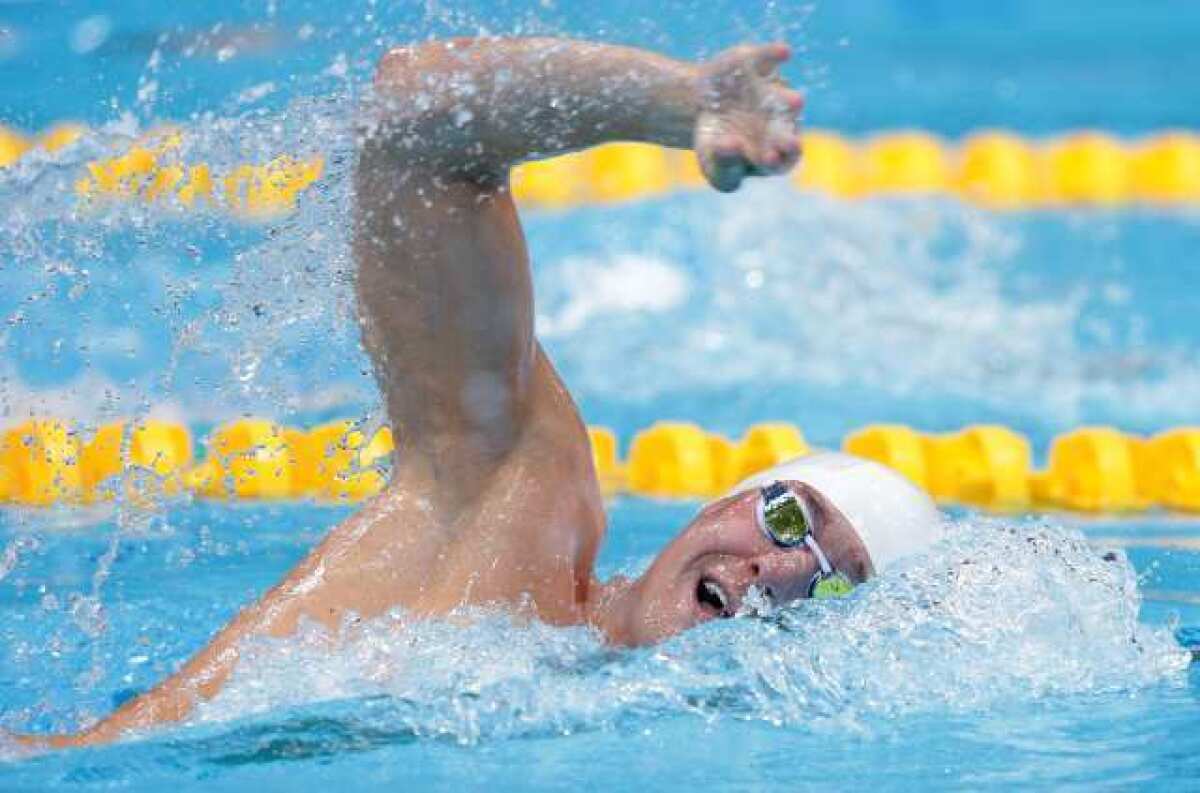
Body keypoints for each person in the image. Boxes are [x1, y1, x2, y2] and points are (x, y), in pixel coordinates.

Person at [22, 36, 942, 749]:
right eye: (790, 520)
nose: (778, 572)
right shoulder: (516, 512)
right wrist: (671, 101)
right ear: (727, 501)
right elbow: (413, 121)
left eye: (829, 586)